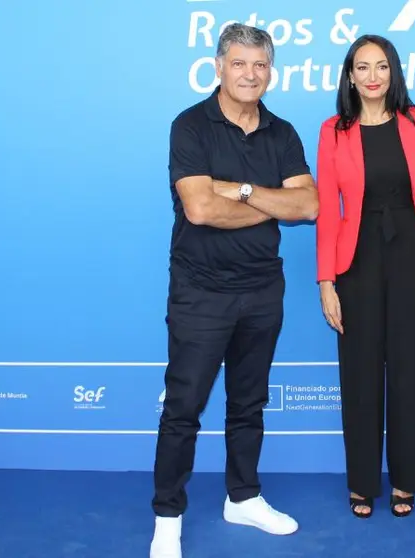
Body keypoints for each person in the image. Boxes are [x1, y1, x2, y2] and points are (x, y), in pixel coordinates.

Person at [149, 23, 319, 558]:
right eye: (239, 63)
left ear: (271, 71)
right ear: (218, 66)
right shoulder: (191, 126)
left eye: (260, 65)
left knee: (249, 403)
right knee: (183, 408)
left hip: (263, 290)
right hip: (200, 292)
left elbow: (308, 207)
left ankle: (242, 497)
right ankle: (167, 517)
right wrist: (268, 202)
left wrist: (240, 191)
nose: (250, 74)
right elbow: (199, 209)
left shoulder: (283, 133)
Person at [315, 34, 415, 519]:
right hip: (356, 257)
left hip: (409, 251)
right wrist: (327, 281)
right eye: (362, 67)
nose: (372, 76)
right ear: (350, 75)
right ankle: (363, 481)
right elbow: (327, 210)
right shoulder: (333, 130)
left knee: (409, 369)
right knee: (361, 372)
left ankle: (407, 478)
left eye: (381, 66)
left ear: (394, 73)